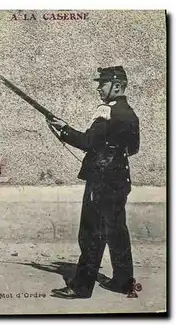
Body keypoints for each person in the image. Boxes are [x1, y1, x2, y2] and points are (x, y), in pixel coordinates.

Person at [48, 66, 140, 299]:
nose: (99, 87)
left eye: (103, 83)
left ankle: (81, 287)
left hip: (101, 181)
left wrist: (64, 130)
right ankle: (123, 281)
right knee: (117, 231)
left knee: (91, 233)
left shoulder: (107, 112)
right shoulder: (129, 113)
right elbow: (134, 148)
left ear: (117, 86)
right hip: (120, 180)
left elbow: (88, 141)